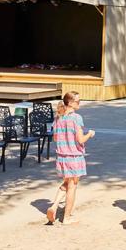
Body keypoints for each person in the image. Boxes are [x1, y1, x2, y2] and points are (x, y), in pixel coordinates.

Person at [46, 91, 94, 225]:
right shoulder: (76, 118)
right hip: (74, 156)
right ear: (71, 103)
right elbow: (80, 139)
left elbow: (55, 137)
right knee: (72, 186)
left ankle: (54, 206)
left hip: (61, 156)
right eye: (78, 101)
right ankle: (66, 217)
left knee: (67, 183)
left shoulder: (58, 117)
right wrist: (89, 134)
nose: (80, 104)